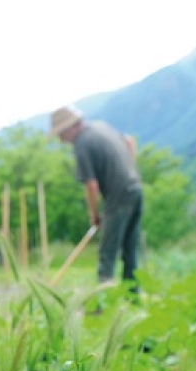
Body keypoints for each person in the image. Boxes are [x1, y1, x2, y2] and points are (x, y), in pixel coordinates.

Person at [51, 105, 143, 287]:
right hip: (136, 188)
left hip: (117, 196)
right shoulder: (100, 127)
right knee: (130, 250)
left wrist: (94, 215)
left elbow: (91, 185)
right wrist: (130, 170)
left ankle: (102, 301)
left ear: (70, 128)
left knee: (107, 253)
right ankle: (133, 299)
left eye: (61, 133)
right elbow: (130, 142)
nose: (61, 139)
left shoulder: (82, 144)